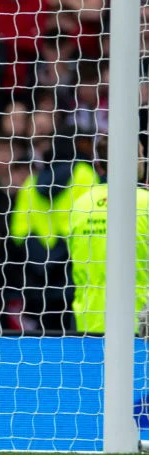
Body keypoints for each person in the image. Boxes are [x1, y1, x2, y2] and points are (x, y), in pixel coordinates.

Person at [66, 137, 149, 334]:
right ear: (134, 160)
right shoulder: (145, 202)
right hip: (139, 322)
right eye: (141, 155)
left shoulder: (80, 204)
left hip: (87, 321)